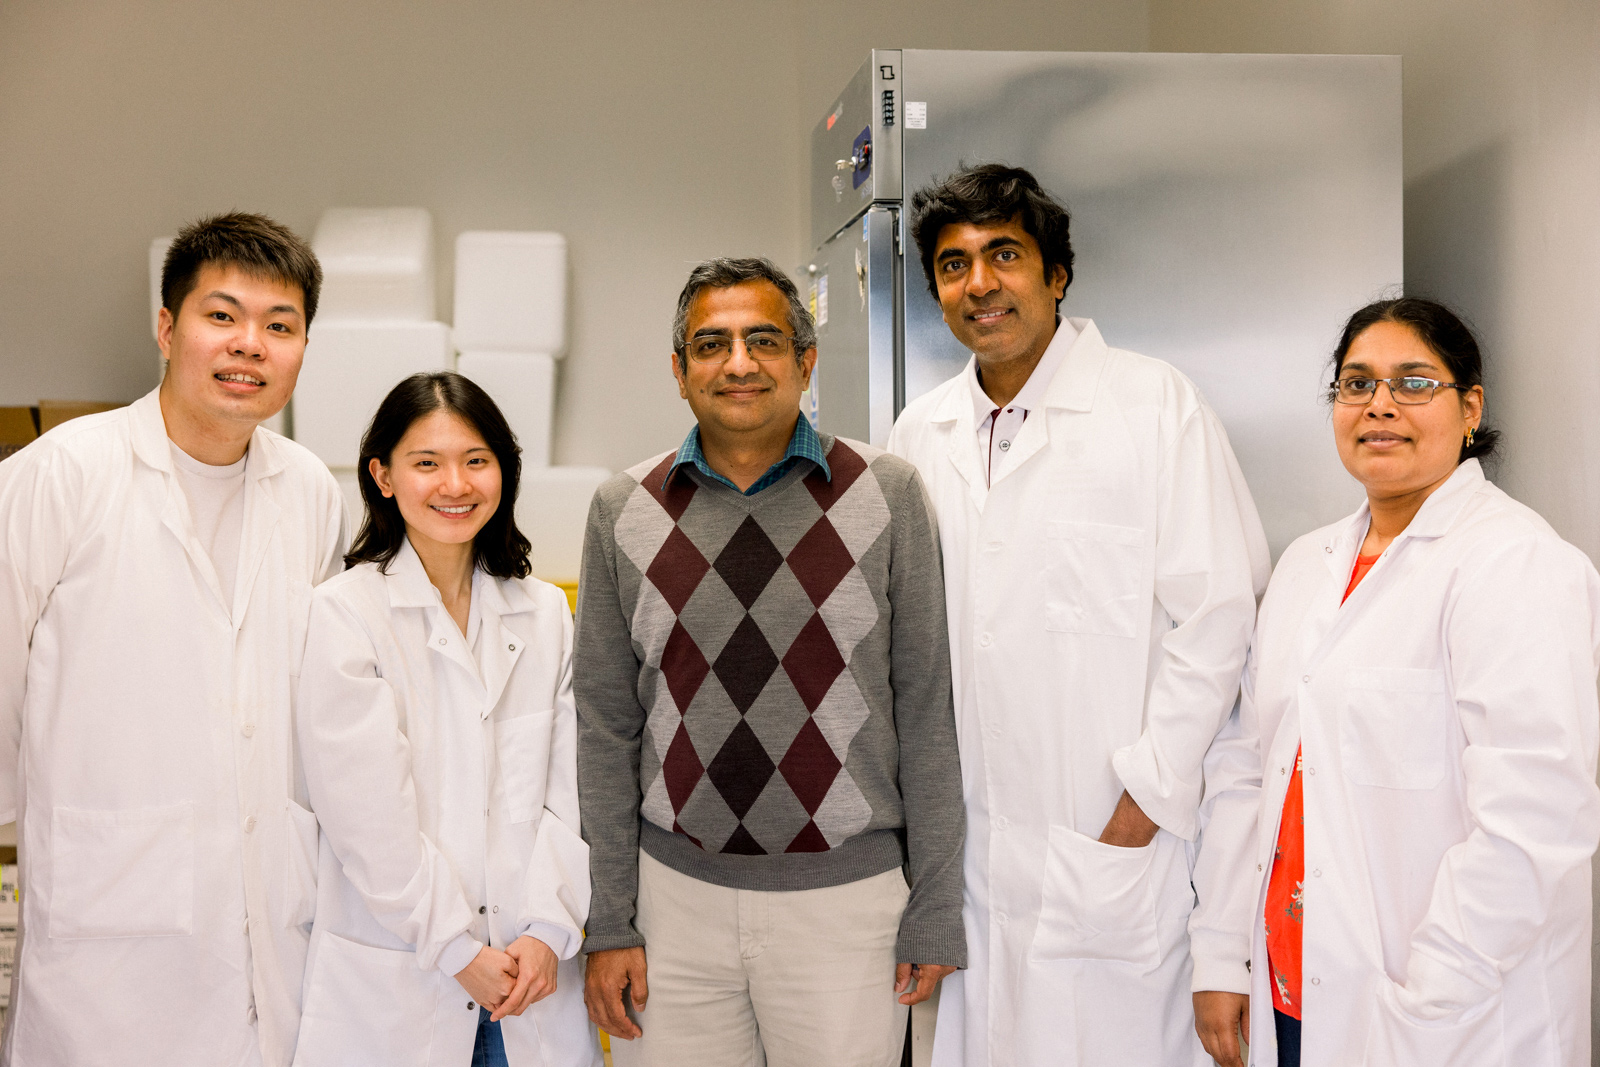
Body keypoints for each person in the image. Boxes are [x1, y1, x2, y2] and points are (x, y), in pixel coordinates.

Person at [885, 164, 1269, 1066]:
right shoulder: (919, 433)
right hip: (973, 859)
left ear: (1057, 274)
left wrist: (1142, 802)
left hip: (1114, 842)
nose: (978, 283)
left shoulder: (1153, 406)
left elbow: (1218, 622)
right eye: (953, 264)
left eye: (1004, 255)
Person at [574, 257, 966, 1067]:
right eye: (711, 344)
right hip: (674, 902)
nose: (740, 363)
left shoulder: (887, 493)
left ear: (806, 360)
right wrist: (609, 918)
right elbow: (605, 727)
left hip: (847, 907)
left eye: (764, 340)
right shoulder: (625, 508)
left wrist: (934, 903)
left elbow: (927, 709)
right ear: (679, 371)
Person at [1189, 298, 1600, 1067]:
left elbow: (1537, 817)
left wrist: (1433, 998)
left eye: (1414, 383)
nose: (1380, 404)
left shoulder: (1516, 565)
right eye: (1356, 384)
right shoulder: (1306, 566)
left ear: (1470, 408)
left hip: (1445, 1015)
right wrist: (1221, 952)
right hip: (1291, 991)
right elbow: (1248, 766)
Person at [0, 213, 346, 1065]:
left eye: (280, 325)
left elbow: (319, 704)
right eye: (221, 315)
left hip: (274, 935)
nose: (250, 345)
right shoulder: (59, 473)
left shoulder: (308, 490)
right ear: (166, 328)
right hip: (105, 941)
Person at [291, 372, 597, 1067]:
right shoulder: (345, 613)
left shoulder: (545, 611)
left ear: (503, 471)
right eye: (426, 463)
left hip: (532, 979)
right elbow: (366, 817)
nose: (454, 484)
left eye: (476, 460)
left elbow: (571, 792)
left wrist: (550, 929)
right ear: (384, 476)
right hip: (405, 981)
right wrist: (458, 948)